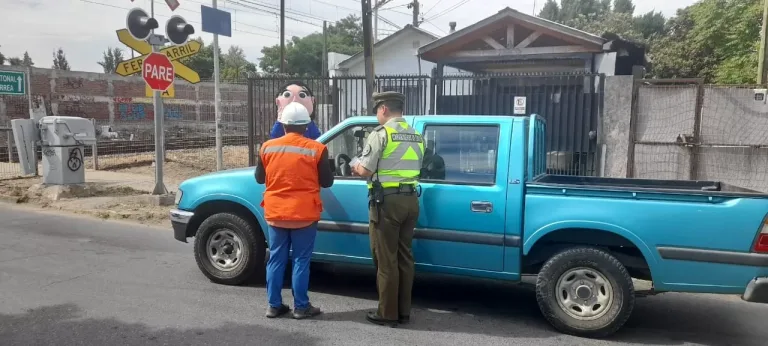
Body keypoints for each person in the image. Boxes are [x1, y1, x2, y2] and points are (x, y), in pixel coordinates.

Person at [351, 91, 425, 327]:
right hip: (411, 200)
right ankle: (403, 311)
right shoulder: (417, 135)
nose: (377, 116)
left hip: (387, 203)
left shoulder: (382, 134)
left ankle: (387, 313)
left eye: (377, 112)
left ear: (383, 109)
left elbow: (365, 171)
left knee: (386, 259)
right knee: (405, 257)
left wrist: (355, 166)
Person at [255, 102, 334, 319]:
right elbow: (327, 182)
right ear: (307, 126)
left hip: (276, 213)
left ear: (283, 125)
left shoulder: (267, 147)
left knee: (276, 259)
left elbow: (260, 178)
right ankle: (301, 307)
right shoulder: (317, 149)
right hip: (304, 214)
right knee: (301, 260)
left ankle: (273, 305)